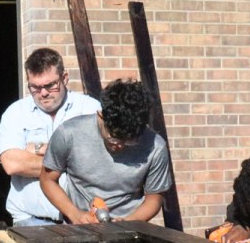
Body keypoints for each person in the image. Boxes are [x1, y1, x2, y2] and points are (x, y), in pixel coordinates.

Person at [0, 48, 101, 243]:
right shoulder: (16, 113)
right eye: (35, 87)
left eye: (50, 86)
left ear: (64, 78)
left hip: (79, 226)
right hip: (30, 226)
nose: (43, 93)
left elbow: (99, 161)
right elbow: (11, 163)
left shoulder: (90, 108)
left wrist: (38, 150)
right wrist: (68, 158)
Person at [39, 77, 172, 225]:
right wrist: (75, 215)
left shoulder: (155, 147)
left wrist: (128, 222)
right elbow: (47, 180)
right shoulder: (68, 134)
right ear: (101, 116)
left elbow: (154, 198)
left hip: (130, 226)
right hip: (79, 226)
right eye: (113, 139)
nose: (120, 146)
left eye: (129, 141)